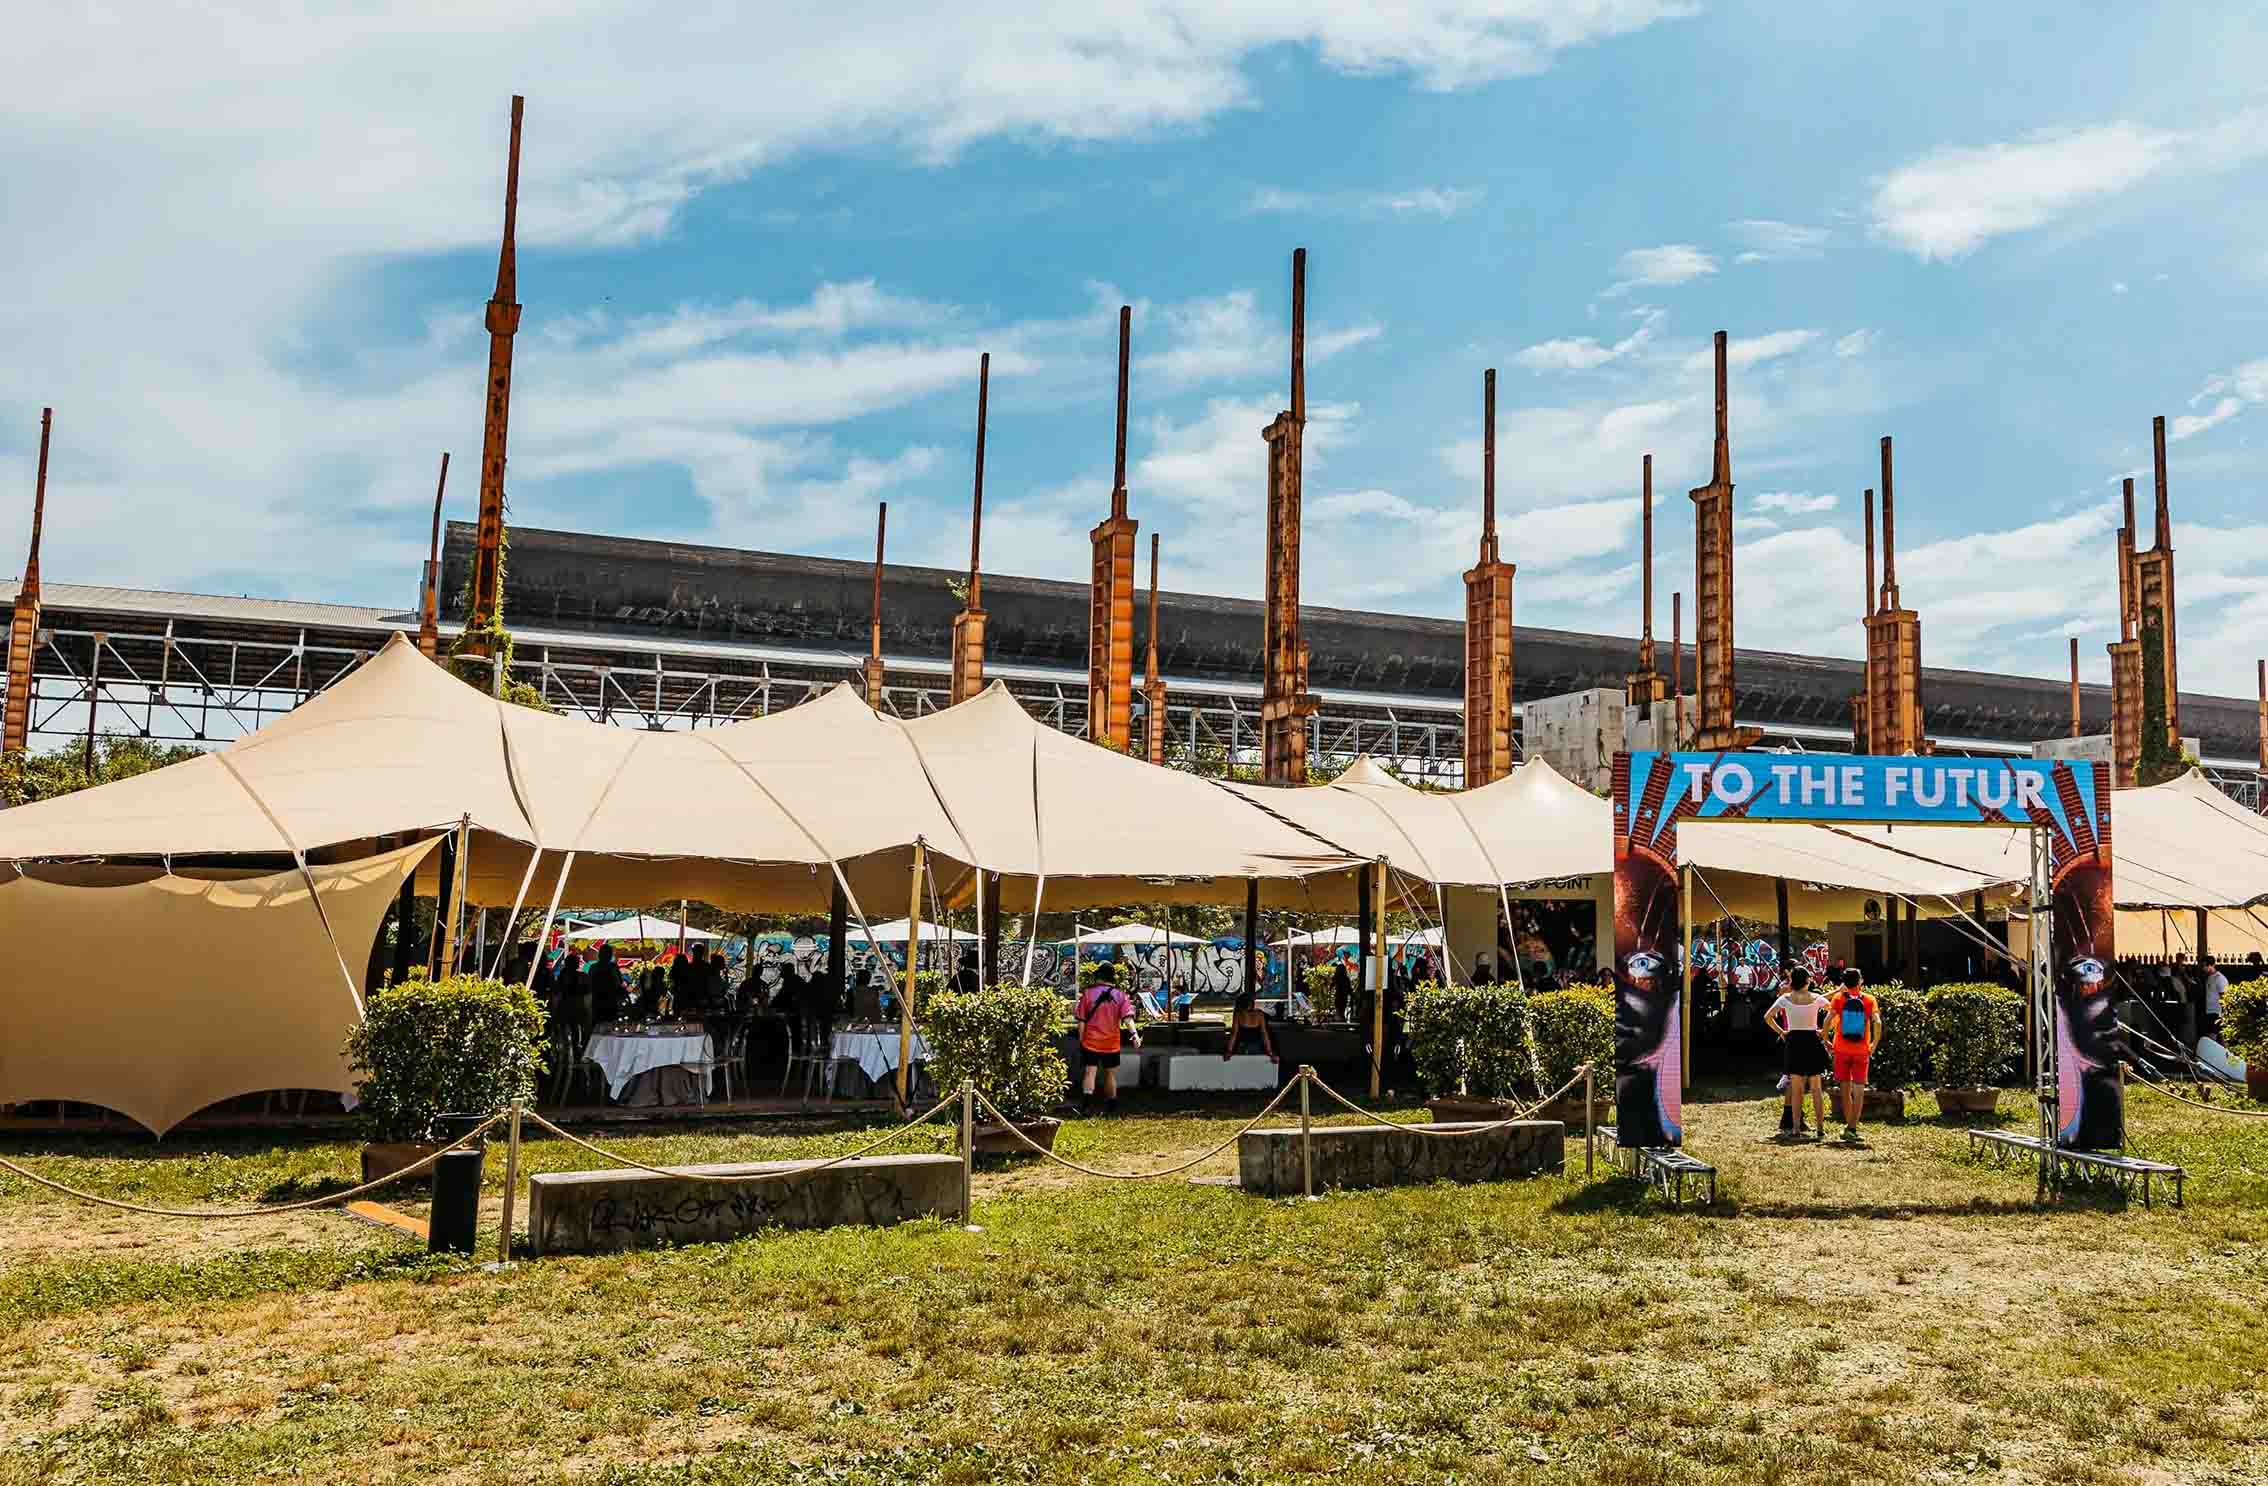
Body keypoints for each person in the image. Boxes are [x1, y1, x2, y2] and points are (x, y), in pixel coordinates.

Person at [1764, 966, 1830, 1140]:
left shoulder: (1785, 998)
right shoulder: (1816, 998)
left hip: (1793, 1042)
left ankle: (1795, 1129)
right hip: (1812, 1041)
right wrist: (1824, 1031)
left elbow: (1768, 1017)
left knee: (1796, 1089)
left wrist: (1781, 1032)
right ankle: (1820, 1128)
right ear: (1807, 981)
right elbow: (1834, 1011)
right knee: (1816, 1088)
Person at [1074, 961, 1139, 1115]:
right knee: (1110, 1074)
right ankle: (1112, 1106)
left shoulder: (1088, 994)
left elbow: (1081, 1021)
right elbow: (1128, 1019)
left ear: (1098, 977)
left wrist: (1082, 1040)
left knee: (1090, 1071)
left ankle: (1086, 1106)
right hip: (1111, 1042)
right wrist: (1134, 1034)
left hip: (1091, 1041)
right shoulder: (1121, 995)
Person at [1826, 968, 1880, 1142]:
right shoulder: (1869, 1000)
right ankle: (1852, 1127)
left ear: (1844, 982)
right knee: (1859, 1090)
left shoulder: (1838, 998)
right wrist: (1873, 1044)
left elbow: (1827, 1020)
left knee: (1844, 1089)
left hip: (1841, 1049)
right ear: (1860, 981)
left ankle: (1849, 1124)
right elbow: (1878, 1022)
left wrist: (1826, 1040)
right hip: (1861, 1050)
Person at [1224, 989, 1277, 1063]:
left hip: (1242, 1047)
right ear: (1252, 1003)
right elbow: (1265, 1034)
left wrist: (1229, 1051)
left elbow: (1234, 1034)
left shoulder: (1238, 1014)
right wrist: (1270, 1052)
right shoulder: (1260, 1014)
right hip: (1257, 1047)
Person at [2201, 953, 2228, 1043]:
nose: (2203, 968)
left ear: (2210, 966)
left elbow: (2224, 996)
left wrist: (2223, 1014)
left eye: (2204, 966)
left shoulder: (2219, 978)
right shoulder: (2209, 978)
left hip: (2217, 1013)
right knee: (2212, 1036)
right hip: (2209, 1011)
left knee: (2215, 1037)